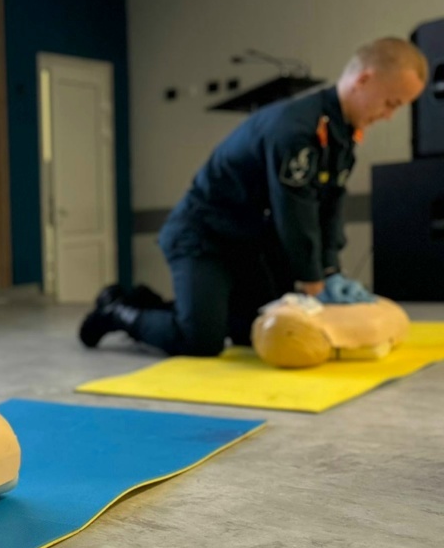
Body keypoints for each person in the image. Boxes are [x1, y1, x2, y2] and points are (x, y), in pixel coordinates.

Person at [80, 38, 427, 356]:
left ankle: (152, 303)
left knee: (255, 330)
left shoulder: (343, 135)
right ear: (364, 80)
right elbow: (294, 209)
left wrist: (331, 268)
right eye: (391, 103)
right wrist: (313, 282)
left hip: (245, 241)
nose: (389, 115)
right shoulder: (297, 128)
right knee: (200, 342)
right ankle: (117, 311)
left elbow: (330, 205)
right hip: (202, 235)